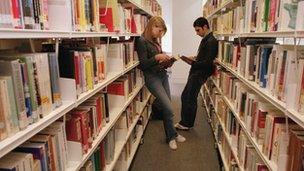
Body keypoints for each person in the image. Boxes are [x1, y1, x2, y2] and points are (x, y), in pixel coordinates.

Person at [135, 16, 185, 150]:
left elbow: (159, 61)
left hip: (162, 75)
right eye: (159, 30)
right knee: (168, 107)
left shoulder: (156, 41)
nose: (160, 33)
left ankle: (172, 135)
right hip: (152, 78)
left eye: (162, 31)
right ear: (152, 25)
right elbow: (144, 64)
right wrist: (157, 57)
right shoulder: (141, 41)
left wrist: (168, 62)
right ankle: (171, 137)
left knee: (167, 108)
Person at [175, 17, 218, 130]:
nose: (196, 33)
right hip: (197, 71)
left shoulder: (211, 41)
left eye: (198, 30)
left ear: (205, 27)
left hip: (200, 73)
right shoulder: (206, 39)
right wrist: (194, 58)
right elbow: (204, 57)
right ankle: (186, 122)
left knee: (189, 97)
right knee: (187, 96)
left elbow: (207, 63)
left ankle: (186, 123)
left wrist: (193, 63)